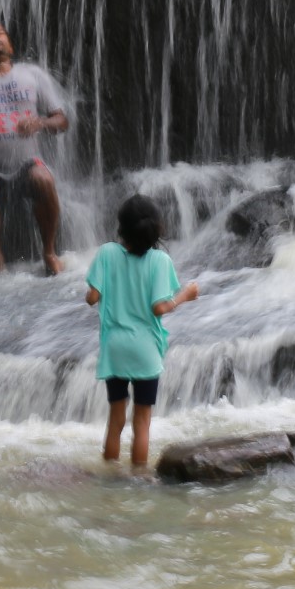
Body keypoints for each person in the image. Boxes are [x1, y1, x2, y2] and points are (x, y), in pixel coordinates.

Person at [86, 193, 199, 468]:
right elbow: (159, 308)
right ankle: (138, 479)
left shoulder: (107, 253)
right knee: (142, 422)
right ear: (156, 229)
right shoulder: (160, 261)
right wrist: (186, 295)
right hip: (145, 350)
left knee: (115, 419)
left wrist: (102, 290)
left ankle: (110, 473)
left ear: (121, 228)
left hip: (115, 348)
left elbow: (92, 297)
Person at [0, 20, 70, 274]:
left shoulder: (32, 75)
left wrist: (40, 122)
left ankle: (49, 252)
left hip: (28, 162)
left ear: (11, 45)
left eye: (0, 33)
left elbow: (62, 120)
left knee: (44, 179)